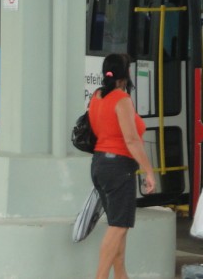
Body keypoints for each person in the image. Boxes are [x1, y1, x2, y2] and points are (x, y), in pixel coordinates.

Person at [89, 53, 156, 279]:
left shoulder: (96, 96)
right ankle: (100, 276)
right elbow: (131, 140)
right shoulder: (122, 100)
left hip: (99, 164)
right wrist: (149, 170)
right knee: (118, 226)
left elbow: (99, 131)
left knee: (119, 228)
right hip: (119, 167)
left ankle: (121, 275)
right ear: (125, 73)